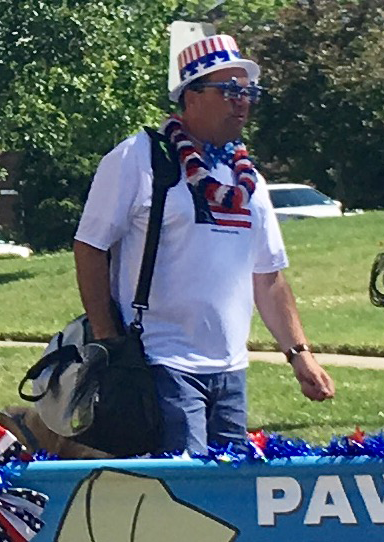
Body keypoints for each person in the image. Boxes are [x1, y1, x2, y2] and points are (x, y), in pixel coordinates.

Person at [73, 32, 335, 453]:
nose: (243, 102)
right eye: (230, 90)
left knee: (226, 498)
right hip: (160, 363)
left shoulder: (248, 179)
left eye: (249, 92)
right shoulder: (138, 158)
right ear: (190, 96)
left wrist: (299, 353)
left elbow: (268, 277)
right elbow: (89, 246)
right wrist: (109, 339)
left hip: (231, 371)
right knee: (185, 494)